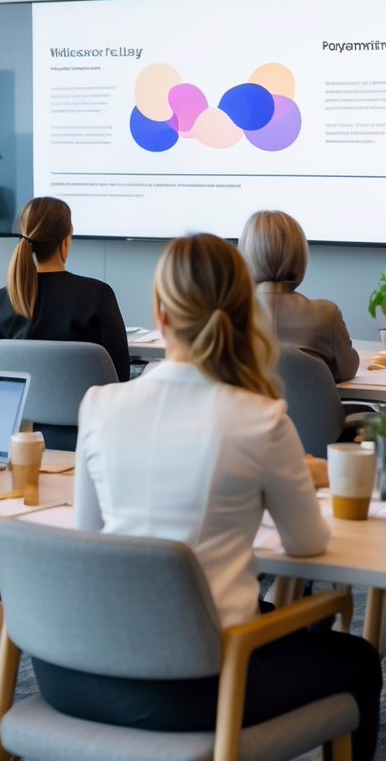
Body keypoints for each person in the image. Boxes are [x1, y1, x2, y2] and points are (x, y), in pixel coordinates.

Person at [36, 233, 381, 758]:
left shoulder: (100, 405)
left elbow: (91, 538)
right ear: (245, 315)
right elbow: (307, 546)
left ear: (160, 313)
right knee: (354, 657)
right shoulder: (259, 417)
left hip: (78, 675)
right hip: (202, 688)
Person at [0, 197, 130, 381]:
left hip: (24, 410)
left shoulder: (4, 299)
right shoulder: (97, 295)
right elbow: (120, 376)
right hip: (86, 409)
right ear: (66, 240)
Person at [239, 209, 359, 382]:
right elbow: (347, 371)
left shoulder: (225, 315)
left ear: (246, 257)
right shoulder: (326, 315)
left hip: (247, 409)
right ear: (299, 255)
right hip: (311, 409)